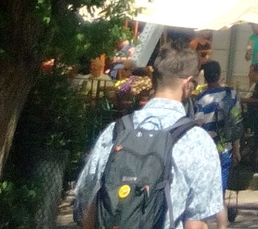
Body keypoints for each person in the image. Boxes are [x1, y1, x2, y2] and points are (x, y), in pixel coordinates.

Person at [73, 41, 223, 229]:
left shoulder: (115, 131)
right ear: (187, 84)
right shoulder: (197, 141)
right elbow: (195, 223)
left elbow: (89, 206)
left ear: (153, 79)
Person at [190, 60, 241, 222]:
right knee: (220, 193)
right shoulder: (231, 95)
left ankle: (202, 223)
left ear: (205, 77)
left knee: (202, 190)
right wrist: (237, 149)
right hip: (225, 148)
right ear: (219, 75)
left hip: (206, 151)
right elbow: (236, 123)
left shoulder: (200, 99)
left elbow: (197, 126)